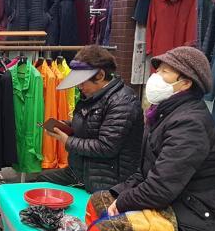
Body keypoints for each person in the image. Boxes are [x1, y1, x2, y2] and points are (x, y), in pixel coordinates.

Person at [108, 46, 215, 231]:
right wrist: (117, 194)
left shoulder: (189, 123)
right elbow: (145, 173)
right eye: (157, 70)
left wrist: (123, 202)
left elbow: (159, 188)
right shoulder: (163, 115)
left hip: (205, 223)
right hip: (180, 204)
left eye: (164, 72)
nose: (155, 77)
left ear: (186, 82)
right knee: (101, 203)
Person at [39, 45, 143, 193]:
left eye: (82, 82)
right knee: (39, 181)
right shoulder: (93, 95)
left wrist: (67, 140)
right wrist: (65, 125)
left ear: (100, 75)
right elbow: (91, 126)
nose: (79, 87)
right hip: (81, 172)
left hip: (108, 181)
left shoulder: (123, 101)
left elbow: (106, 147)